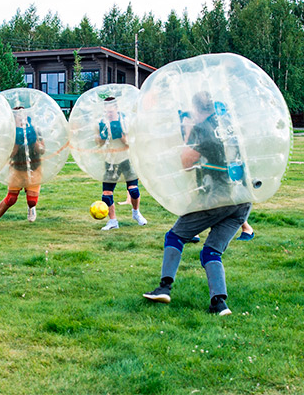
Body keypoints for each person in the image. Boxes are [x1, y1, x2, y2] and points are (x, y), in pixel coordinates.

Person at [143, 91, 250, 316]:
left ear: (197, 109)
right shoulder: (229, 123)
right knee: (211, 251)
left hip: (216, 198)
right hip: (241, 199)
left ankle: (164, 287)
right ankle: (219, 303)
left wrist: (190, 130)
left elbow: (186, 163)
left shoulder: (203, 129)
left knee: (174, 237)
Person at [0, 106, 44, 229]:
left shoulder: (34, 130)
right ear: (14, 118)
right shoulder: (10, 132)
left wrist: (34, 142)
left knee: (32, 201)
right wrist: (17, 142)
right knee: (11, 198)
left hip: (34, 167)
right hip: (17, 168)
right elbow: (9, 154)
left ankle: (31, 207)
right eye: (19, 116)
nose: (22, 118)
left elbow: (42, 150)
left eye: (24, 115)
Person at [98, 97, 146, 231]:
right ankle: (113, 221)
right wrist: (102, 137)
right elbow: (99, 143)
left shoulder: (124, 121)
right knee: (106, 194)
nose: (108, 114)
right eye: (106, 112)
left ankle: (136, 213)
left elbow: (129, 142)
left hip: (126, 159)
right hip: (110, 161)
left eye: (111, 112)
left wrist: (118, 132)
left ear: (116, 109)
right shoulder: (102, 122)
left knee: (133, 190)